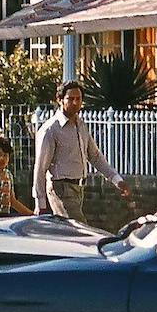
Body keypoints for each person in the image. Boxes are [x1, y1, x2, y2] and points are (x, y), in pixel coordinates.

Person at [33, 81, 131, 223]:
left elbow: (95, 156)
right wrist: (40, 204)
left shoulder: (81, 125)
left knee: (69, 235)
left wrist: (117, 180)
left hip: (79, 188)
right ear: (60, 100)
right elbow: (40, 168)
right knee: (78, 231)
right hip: (61, 187)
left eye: (78, 99)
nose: (75, 103)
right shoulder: (51, 129)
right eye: (70, 99)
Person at [0, 137, 32, 220]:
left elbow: (12, 201)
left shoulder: (8, 174)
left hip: (5, 216)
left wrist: (30, 214)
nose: (2, 158)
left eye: (5, 155)